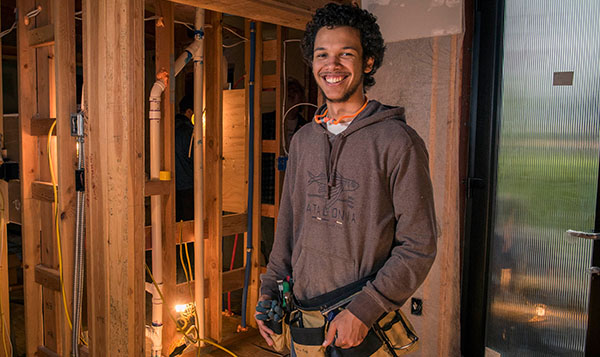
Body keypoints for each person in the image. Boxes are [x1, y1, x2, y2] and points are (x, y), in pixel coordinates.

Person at [255, 3, 438, 356]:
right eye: (322, 54)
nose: (332, 66)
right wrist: (269, 291)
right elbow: (288, 228)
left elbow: (419, 245)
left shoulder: (397, 141)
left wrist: (365, 310)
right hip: (304, 320)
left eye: (346, 54)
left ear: (368, 62)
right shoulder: (304, 140)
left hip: (359, 321)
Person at [175, 95, 194, 222]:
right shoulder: (189, 131)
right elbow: (195, 158)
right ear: (188, 111)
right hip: (188, 184)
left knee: (176, 224)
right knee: (191, 225)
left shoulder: (170, 127)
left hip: (173, 184)